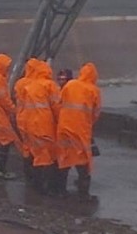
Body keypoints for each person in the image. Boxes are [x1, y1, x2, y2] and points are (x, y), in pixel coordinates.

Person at [55, 62, 102, 197]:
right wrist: (88, 123)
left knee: (64, 158)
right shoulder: (94, 90)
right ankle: (83, 194)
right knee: (83, 161)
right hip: (81, 130)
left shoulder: (70, 85)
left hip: (64, 128)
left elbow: (59, 103)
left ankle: (60, 190)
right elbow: (95, 113)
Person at [14, 58, 61, 193]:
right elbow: (56, 107)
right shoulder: (50, 86)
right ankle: (44, 186)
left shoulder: (28, 86)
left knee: (33, 152)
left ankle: (33, 181)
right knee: (46, 155)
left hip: (28, 123)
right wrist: (60, 122)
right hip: (44, 125)